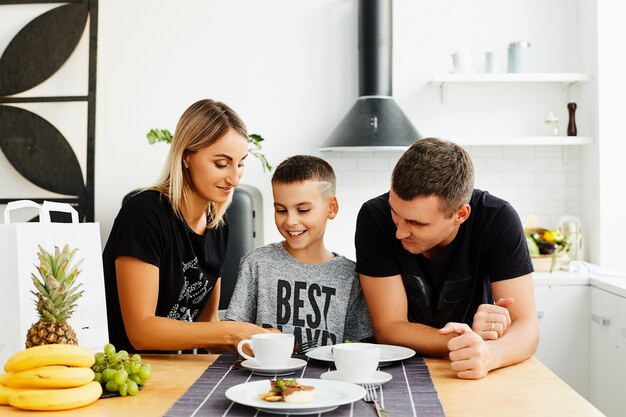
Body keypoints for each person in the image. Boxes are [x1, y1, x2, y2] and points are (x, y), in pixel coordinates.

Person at [355, 137, 539, 379]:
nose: (399, 231)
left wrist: (489, 354)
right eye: (396, 212)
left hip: (470, 367)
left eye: (416, 223)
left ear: (460, 214)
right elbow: (389, 328)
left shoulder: (498, 219)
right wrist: (467, 339)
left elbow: (526, 326)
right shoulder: (375, 217)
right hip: (398, 365)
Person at [103, 99, 275, 352]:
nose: (234, 178)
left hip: (177, 370)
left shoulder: (218, 226)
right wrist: (231, 331)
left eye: (240, 164)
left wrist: (256, 344)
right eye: (221, 163)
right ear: (186, 157)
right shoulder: (143, 214)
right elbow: (140, 331)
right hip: (125, 370)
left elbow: (207, 323)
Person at [226, 155, 372, 346]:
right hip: (268, 376)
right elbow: (231, 336)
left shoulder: (350, 277)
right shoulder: (256, 263)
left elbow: (359, 346)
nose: (290, 221)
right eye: (281, 210)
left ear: (331, 208)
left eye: (303, 210)